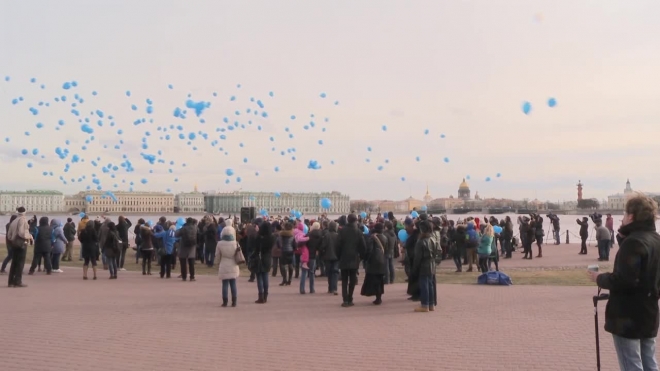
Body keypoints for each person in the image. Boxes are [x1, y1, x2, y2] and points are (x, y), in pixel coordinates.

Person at [588, 195, 660, 371]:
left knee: (631, 364)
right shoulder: (654, 239)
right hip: (649, 311)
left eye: (625, 213)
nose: (623, 216)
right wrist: (623, 239)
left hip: (628, 315)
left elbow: (625, 280)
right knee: (648, 360)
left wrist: (599, 278)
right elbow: (641, 269)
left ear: (632, 216)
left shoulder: (634, 242)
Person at [336, 214, 366, 307]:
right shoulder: (358, 232)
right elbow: (363, 247)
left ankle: (345, 300)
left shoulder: (342, 231)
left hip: (344, 258)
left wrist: (339, 256)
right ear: (355, 221)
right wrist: (361, 257)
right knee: (352, 280)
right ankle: (350, 298)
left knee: (344, 280)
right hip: (354, 258)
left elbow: (338, 245)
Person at [360, 223, 387, 305]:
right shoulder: (385, 237)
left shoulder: (373, 238)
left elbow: (369, 250)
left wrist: (365, 259)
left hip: (374, 261)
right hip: (382, 260)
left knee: (374, 280)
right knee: (380, 280)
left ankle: (377, 298)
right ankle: (379, 297)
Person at [412, 220, 435, 312]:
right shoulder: (432, 239)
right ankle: (431, 304)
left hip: (424, 265)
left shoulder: (421, 241)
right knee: (430, 284)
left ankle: (425, 305)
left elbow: (417, 257)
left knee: (424, 285)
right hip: (431, 263)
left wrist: (415, 268)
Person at [6, 207, 33, 287]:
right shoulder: (23, 220)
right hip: (21, 243)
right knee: (20, 262)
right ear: (25, 212)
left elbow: (9, 235)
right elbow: (22, 232)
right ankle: (18, 281)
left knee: (14, 262)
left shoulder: (14, 221)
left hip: (14, 243)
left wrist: (12, 239)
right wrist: (29, 237)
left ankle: (11, 281)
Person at [216, 226, 240, 307]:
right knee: (233, 283)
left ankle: (225, 301)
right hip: (233, 264)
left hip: (224, 264)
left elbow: (217, 256)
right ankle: (234, 301)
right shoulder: (235, 243)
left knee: (225, 284)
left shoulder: (220, 243)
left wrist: (217, 263)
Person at [253, 221, 275, 303]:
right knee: (265, 276)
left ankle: (261, 295)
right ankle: (265, 295)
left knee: (259, 277)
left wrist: (257, 232)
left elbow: (255, 247)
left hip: (259, 257)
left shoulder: (259, 237)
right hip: (268, 258)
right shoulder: (272, 238)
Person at [302, 222, 322, 294]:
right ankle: (312, 289)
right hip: (314, 255)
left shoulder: (309, 234)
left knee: (304, 272)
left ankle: (302, 289)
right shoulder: (320, 235)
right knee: (312, 272)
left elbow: (303, 242)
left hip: (306, 254)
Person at [321, 221, 340, 294]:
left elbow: (323, 246)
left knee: (329, 273)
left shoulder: (326, 235)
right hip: (336, 256)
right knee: (335, 272)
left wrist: (322, 252)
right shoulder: (338, 235)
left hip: (328, 256)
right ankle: (334, 288)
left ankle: (330, 288)